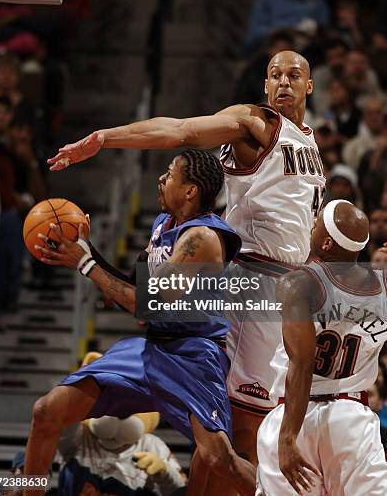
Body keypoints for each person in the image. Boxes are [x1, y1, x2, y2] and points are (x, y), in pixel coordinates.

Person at [48, 50, 326, 474]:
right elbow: (180, 130)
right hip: (251, 282)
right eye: (275, 75)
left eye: (293, 75)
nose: (283, 82)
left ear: (309, 85)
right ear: (265, 87)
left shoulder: (309, 141)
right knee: (242, 431)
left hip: (284, 290)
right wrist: (106, 137)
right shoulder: (258, 122)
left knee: (226, 440)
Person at [24, 149, 256, 496]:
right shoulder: (163, 226)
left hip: (194, 356)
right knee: (46, 411)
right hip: (152, 348)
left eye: (169, 174)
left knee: (219, 459)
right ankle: (24, 490)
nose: (161, 179)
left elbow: (147, 304)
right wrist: (85, 249)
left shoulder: (202, 239)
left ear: (190, 191)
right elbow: (127, 292)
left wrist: (85, 264)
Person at [256, 200, 387, 495]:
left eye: (316, 226)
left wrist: (287, 438)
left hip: (294, 415)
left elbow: (302, 365)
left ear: (325, 243)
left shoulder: (298, 284)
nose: (310, 228)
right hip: (351, 421)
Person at [58, 352, 187, 496]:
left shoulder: (151, 445)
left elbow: (180, 490)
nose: (120, 413)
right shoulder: (79, 436)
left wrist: (164, 471)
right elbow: (63, 416)